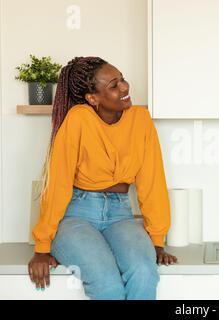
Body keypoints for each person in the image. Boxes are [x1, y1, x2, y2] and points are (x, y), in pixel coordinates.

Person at [27, 57, 177, 300]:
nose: (125, 87)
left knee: (144, 272)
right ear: (92, 98)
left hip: (121, 214)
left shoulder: (140, 120)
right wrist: (42, 247)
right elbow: (59, 183)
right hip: (77, 214)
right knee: (107, 283)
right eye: (113, 85)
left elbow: (153, 182)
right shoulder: (79, 119)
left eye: (122, 79)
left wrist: (157, 239)